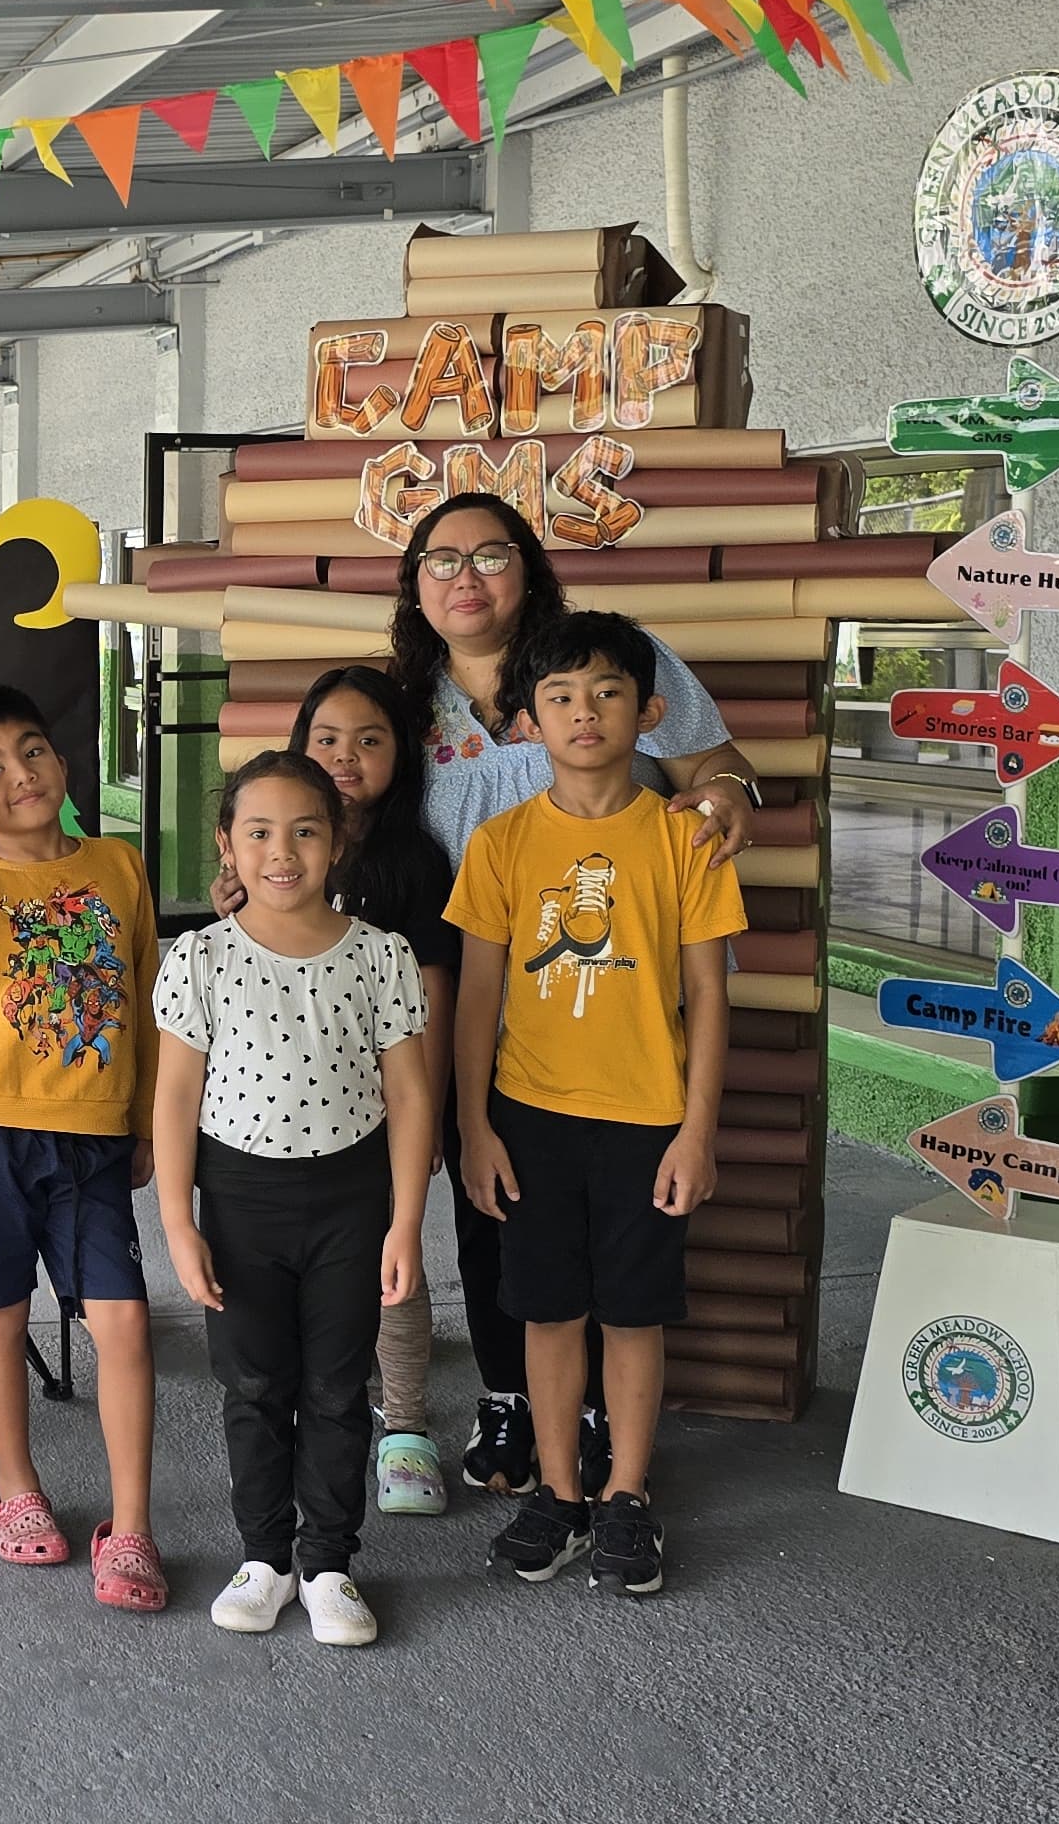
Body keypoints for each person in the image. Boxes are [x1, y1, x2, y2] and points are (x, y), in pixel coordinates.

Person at [394, 492, 762, 1503]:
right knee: (494, 1212)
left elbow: (717, 764)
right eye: (440, 560)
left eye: (490, 554)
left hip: (622, 1002)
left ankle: (603, 1422)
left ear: (530, 568)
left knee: (623, 1238)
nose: (465, 577)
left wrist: (727, 795)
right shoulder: (406, 697)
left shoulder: (605, 657)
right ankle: (510, 1399)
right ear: (415, 586)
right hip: (475, 989)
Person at [447, 611, 748, 1598]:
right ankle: (560, 1495)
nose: (586, 712)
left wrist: (696, 1131)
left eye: (609, 692)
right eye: (562, 696)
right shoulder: (498, 844)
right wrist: (474, 1127)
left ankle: (625, 1495)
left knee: (631, 1313)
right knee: (546, 1311)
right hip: (529, 1118)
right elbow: (477, 998)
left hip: (647, 1119)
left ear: (650, 713)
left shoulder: (683, 840)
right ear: (525, 723)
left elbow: (707, 994)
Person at [0, 685, 167, 1612]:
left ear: (61, 757)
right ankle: (15, 1486)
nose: (21, 774)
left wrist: (143, 1120)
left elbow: (146, 995)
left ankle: (132, 1527)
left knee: (123, 1322)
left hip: (93, 1136)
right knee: (0, 1315)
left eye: (32, 749)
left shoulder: (119, 865)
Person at [156, 753, 436, 1646]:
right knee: (252, 1383)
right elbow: (175, 1097)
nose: (283, 852)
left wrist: (405, 1223)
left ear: (338, 840)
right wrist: (178, 1223)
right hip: (240, 1199)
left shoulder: (381, 956)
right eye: (260, 832)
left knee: (337, 1386)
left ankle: (328, 1564)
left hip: (351, 1199)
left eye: (305, 830)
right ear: (227, 846)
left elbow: (411, 1096)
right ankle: (264, 1559)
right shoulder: (200, 957)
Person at [211, 668, 469, 1517]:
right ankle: (316, 1427)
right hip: (281, 1125)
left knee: (395, 1266)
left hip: (381, 1107)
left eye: (369, 740)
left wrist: (427, 1109)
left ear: (402, 755)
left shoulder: (412, 863)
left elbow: (432, 993)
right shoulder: (267, 858)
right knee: (314, 1293)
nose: (346, 755)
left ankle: (406, 1426)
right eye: (327, 738)